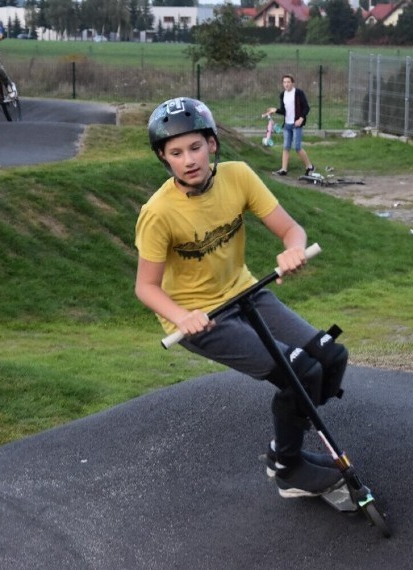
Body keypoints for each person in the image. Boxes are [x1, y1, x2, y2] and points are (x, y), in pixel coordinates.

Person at [135, 97, 349, 499]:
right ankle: (289, 468)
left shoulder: (239, 176)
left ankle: (282, 449)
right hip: (202, 318)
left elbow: (292, 230)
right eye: (175, 153)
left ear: (212, 144)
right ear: (163, 158)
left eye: (195, 147)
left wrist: (292, 249)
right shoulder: (158, 212)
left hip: (247, 293)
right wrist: (182, 318)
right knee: (301, 373)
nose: (188, 160)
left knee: (329, 358)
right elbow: (145, 286)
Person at [266, 74, 315, 177]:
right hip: (287, 126)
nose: (286, 84)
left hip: (296, 124)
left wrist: (301, 119)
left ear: (292, 83)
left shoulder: (298, 93)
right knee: (286, 147)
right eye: (284, 82)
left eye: (288, 82)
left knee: (297, 147)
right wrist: (274, 110)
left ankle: (310, 166)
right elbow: (284, 111)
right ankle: (283, 169)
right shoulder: (282, 95)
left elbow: (306, 108)